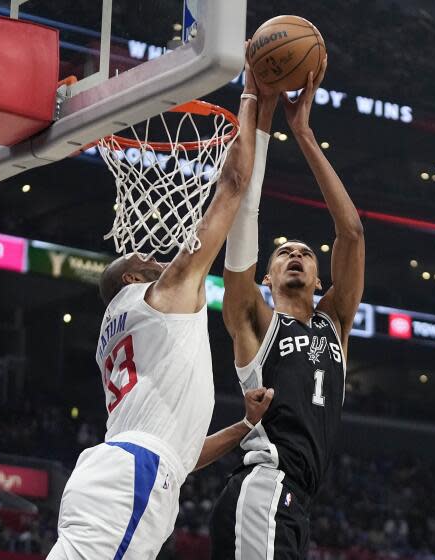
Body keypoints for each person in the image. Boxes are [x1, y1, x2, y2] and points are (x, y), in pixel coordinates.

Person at [47, 57, 278, 560]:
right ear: (131, 280)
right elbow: (232, 188)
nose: (153, 256)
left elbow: (181, 454)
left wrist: (243, 425)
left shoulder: (125, 326)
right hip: (130, 476)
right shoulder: (161, 296)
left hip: (127, 471)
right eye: (141, 258)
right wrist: (252, 95)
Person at [210, 55, 366, 559]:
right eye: (283, 253)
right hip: (265, 486)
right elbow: (244, 212)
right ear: (267, 276)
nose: (296, 255)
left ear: (320, 278)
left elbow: (352, 233)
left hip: (295, 500)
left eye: (305, 253)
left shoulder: (334, 321)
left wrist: (304, 134)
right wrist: (259, 108)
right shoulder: (254, 320)